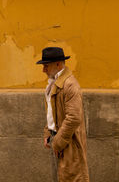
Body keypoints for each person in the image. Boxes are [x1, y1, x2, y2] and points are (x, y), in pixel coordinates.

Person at [36, 47, 89, 182]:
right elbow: (52, 113)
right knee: (61, 177)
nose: (43, 70)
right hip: (58, 139)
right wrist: (48, 132)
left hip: (69, 142)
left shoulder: (70, 85)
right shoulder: (54, 83)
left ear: (58, 64)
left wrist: (57, 143)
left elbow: (73, 118)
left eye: (46, 66)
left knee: (74, 177)